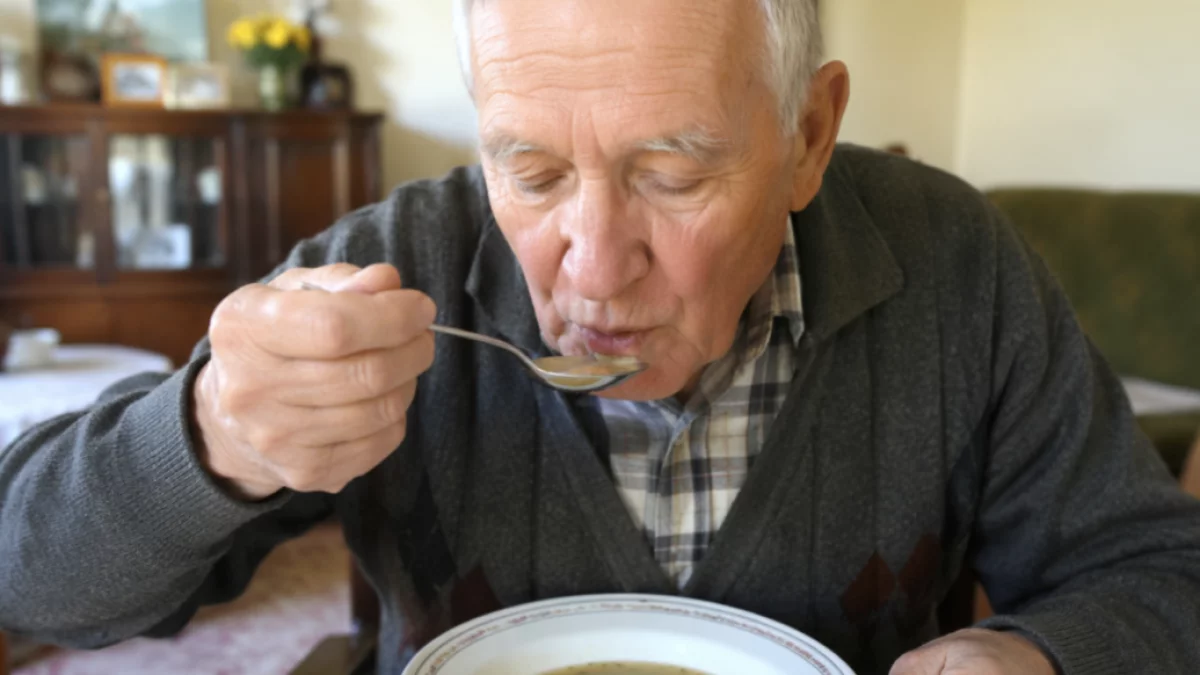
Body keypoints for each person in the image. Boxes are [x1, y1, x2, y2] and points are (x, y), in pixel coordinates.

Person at [2, 1, 1199, 673]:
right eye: (528, 169)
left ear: (808, 137)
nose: (591, 260)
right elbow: (31, 582)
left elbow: (1159, 573)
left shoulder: (957, 267)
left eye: (671, 173)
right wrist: (210, 436)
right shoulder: (392, 266)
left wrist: (1034, 660)